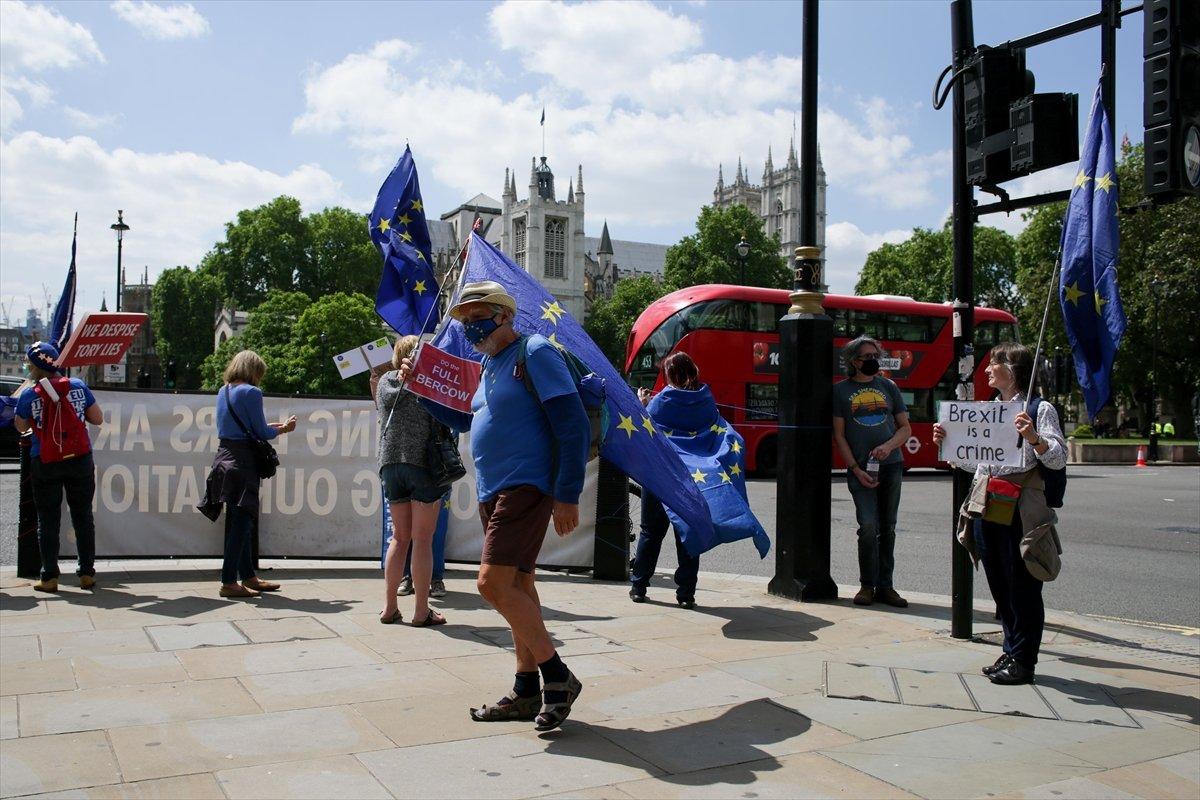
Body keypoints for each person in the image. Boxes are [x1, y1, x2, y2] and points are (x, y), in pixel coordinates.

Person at [398, 280, 589, 732]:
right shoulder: (489, 365)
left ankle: (558, 678)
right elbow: (467, 420)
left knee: (491, 583)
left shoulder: (536, 352)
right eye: (463, 319)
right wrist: (423, 390)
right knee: (518, 585)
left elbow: (573, 424)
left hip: (527, 485)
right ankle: (526, 690)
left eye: (477, 316)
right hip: (495, 489)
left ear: (504, 314)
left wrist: (567, 493)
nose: (469, 325)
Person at [934, 342, 1067, 686]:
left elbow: (1057, 458)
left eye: (995, 364)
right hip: (987, 503)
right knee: (999, 583)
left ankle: (1024, 661)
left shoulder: (1039, 409)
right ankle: (1011, 649)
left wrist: (1034, 437)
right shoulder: (990, 409)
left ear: (1014, 369)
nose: (988, 370)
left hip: (1022, 508)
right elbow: (976, 463)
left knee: (1023, 585)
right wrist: (948, 445)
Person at [198, 350, 296, 598]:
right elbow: (261, 432)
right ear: (254, 371)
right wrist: (284, 429)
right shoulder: (252, 392)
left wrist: (270, 427)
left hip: (223, 459)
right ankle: (229, 581)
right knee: (242, 522)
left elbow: (247, 427)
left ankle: (248, 576)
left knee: (237, 520)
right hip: (242, 463)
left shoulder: (224, 391)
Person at [13, 342, 104, 593]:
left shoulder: (30, 394)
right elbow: (97, 418)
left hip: (45, 460)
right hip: (80, 459)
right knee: (83, 516)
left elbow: (21, 427)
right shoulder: (77, 386)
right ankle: (86, 573)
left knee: (48, 519)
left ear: (36, 366)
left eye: (29, 364)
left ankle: (49, 576)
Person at [371, 336, 447, 627]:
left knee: (399, 539)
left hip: (390, 466)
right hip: (423, 465)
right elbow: (442, 420)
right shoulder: (427, 383)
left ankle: (389, 608)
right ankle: (420, 611)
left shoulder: (385, 383)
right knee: (423, 540)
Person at [832, 335, 912, 608]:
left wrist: (888, 447)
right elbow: (839, 435)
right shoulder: (840, 391)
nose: (873, 361)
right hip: (861, 469)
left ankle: (885, 586)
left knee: (887, 528)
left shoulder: (889, 386)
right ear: (853, 361)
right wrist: (854, 468)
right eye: (867, 357)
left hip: (891, 465)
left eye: (875, 355)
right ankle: (867, 585)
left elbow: (905, 428)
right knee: (868, 526)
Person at [629, 352, 704, 609]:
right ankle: (686, 594)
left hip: (660, 476)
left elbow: (645, 429)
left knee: (651, 532)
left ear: (670, 375)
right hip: (690, 478)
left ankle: (639, 585)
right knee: (686, 535)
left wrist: (642, 403)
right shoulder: (704, 400)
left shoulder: (661, 401)